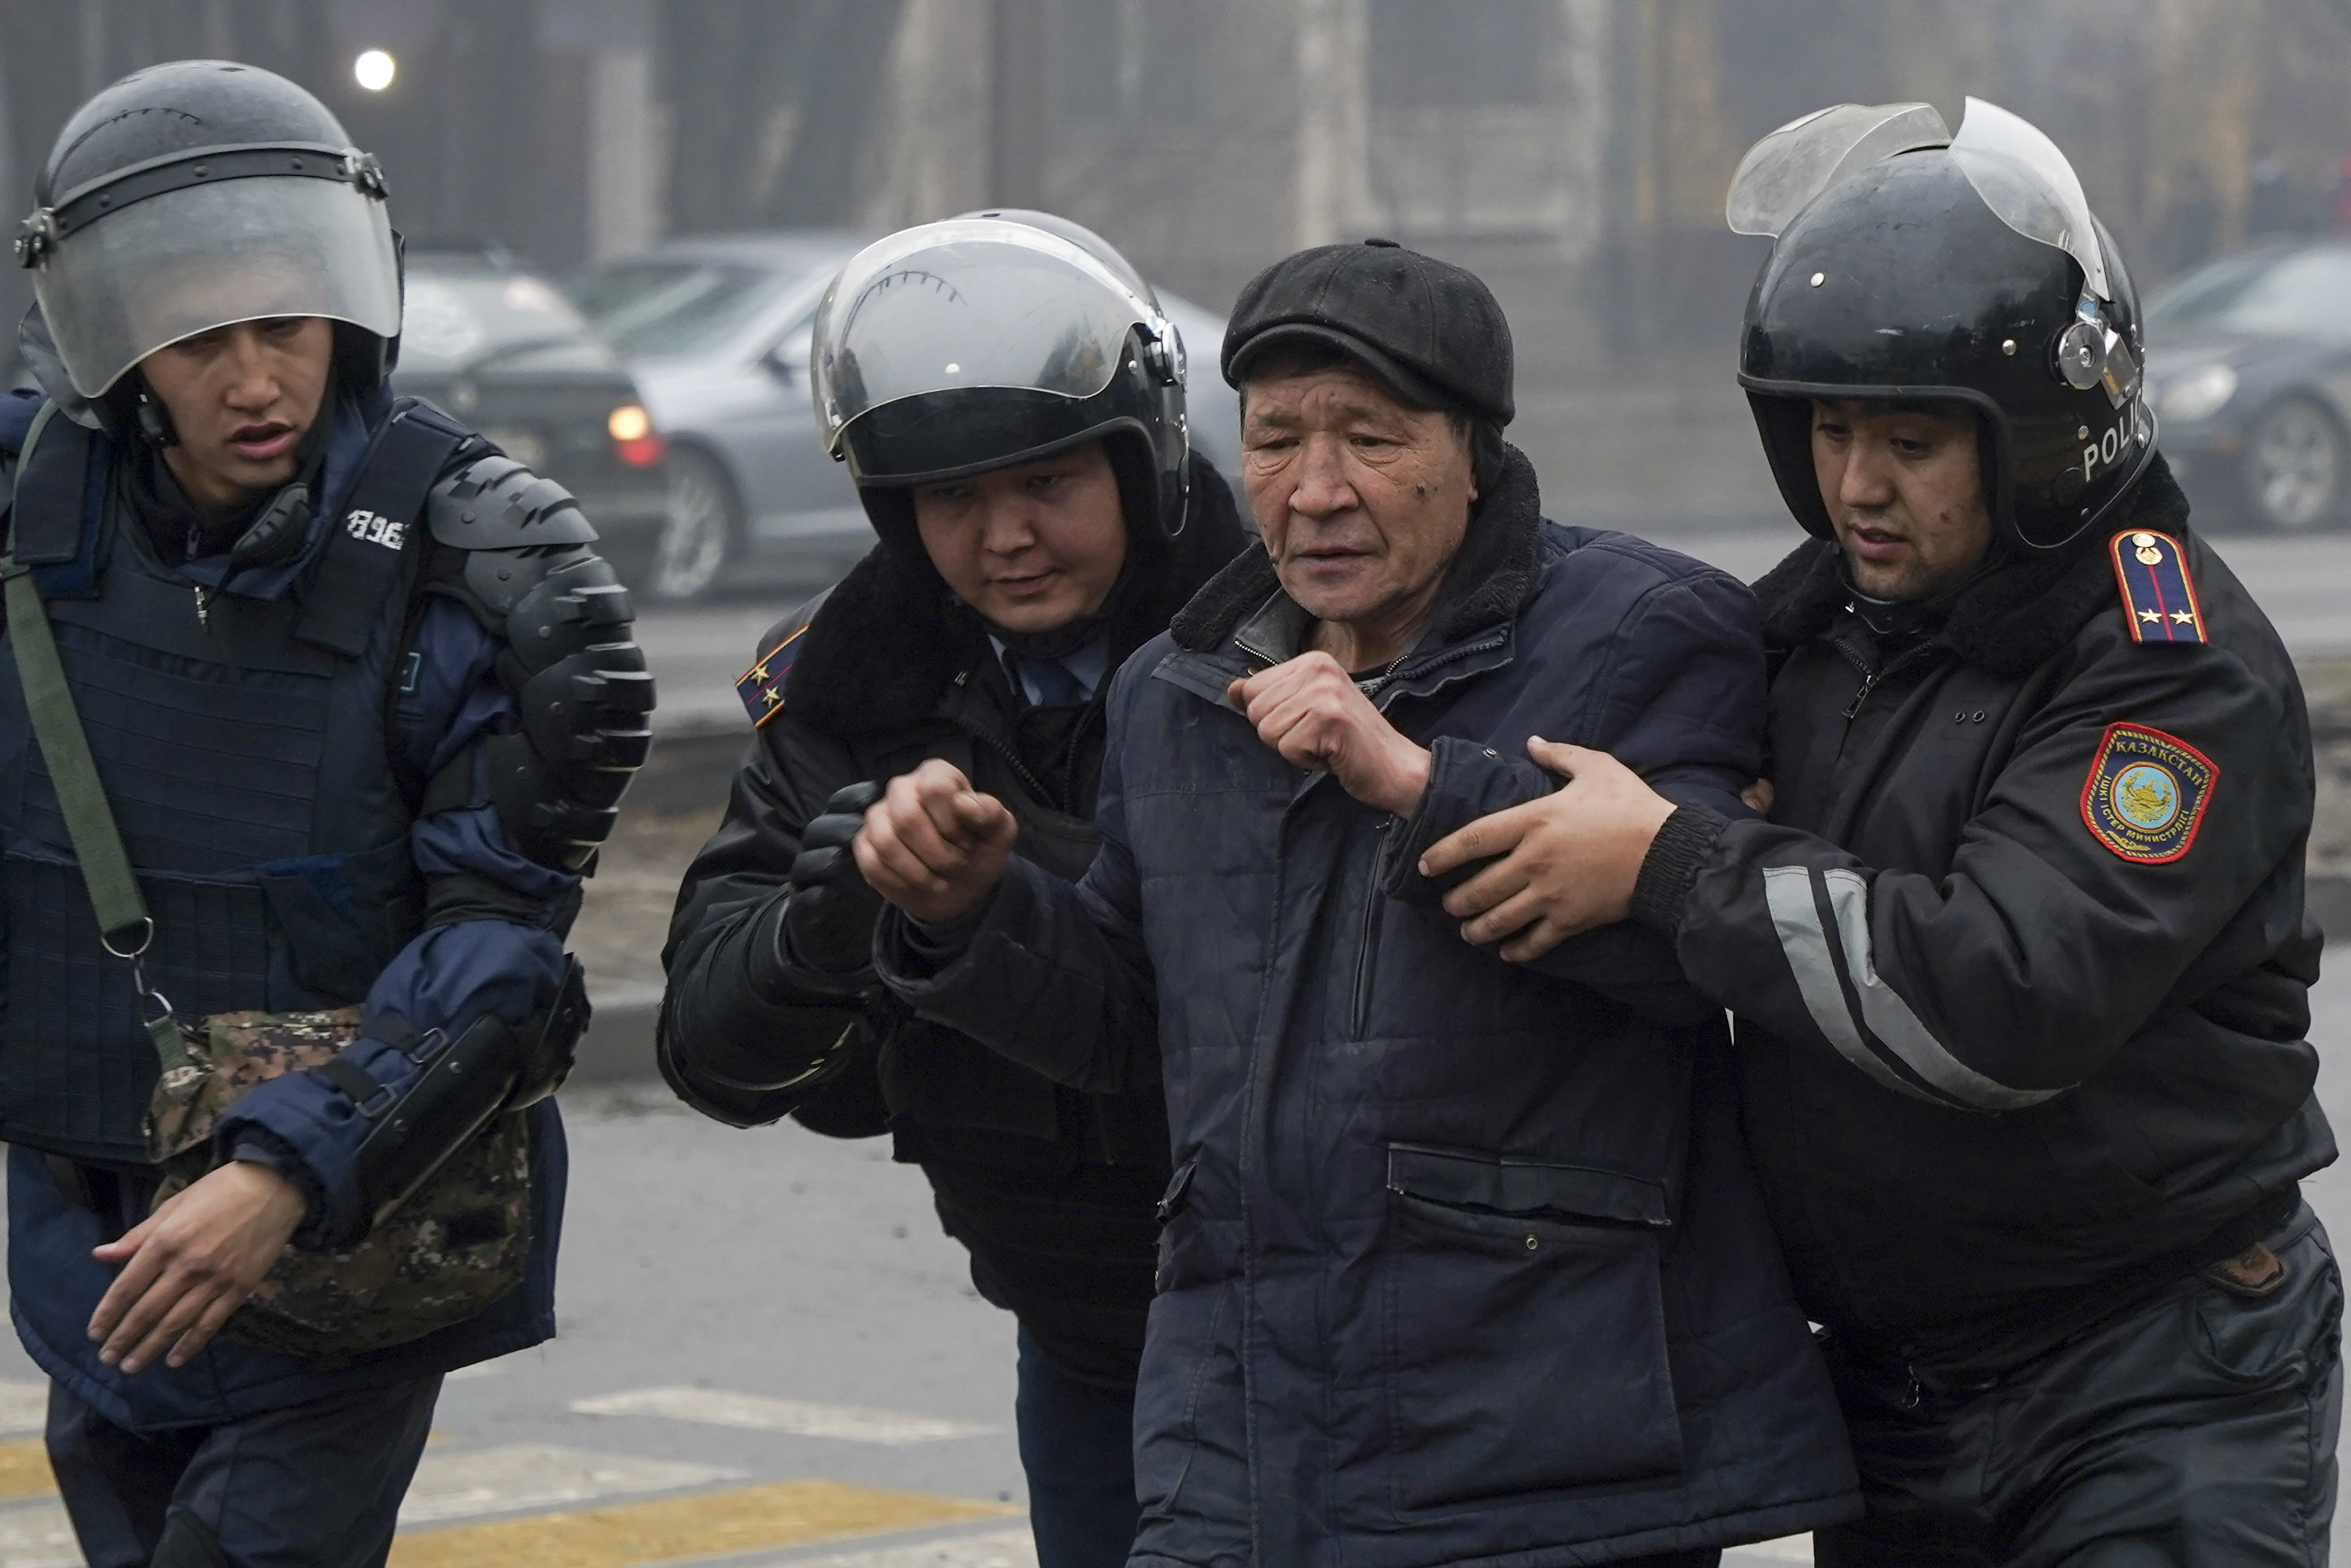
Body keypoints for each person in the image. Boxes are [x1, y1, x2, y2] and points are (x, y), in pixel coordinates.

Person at [1419, 101, 2341, 1566]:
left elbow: (1999, 1000)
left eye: (1912, 440)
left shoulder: (2168, 666)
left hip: (2149, 1380)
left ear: (2044, 440)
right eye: (1829, 430)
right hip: (1891, 1391)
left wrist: (1673, 863)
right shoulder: (1830, 626)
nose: (1857, 484)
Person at [852, 238, 1859, 1567]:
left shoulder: (1645, 630)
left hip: (1547, 1454)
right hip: (1248, 1438)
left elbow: (1695, 956)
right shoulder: (1178, 689)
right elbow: (1127, 1028)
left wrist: (1415, 781)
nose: (1315, 490)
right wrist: (973, 910)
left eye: (1369, 440)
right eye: (1275, 442)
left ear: (1473, 450)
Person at [1, 61, 649, 1568]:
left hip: (347, 1251)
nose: (255, 383)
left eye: (284, 328)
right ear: (122, 350)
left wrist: (285, 1169)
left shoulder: (477, 569)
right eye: (201, 341)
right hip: (92, 1246)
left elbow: (501, 950)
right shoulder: (35, 513)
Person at [658, 212, 1249, 1568]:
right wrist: (830, 915)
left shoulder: (1292, 646)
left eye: (1046, 483)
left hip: (1323, 1325)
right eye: (953, 500)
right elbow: (711, 1049)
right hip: (1076, 1326)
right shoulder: (845, 695)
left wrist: (997, 892)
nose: (1006, 538)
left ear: (1140, 458)